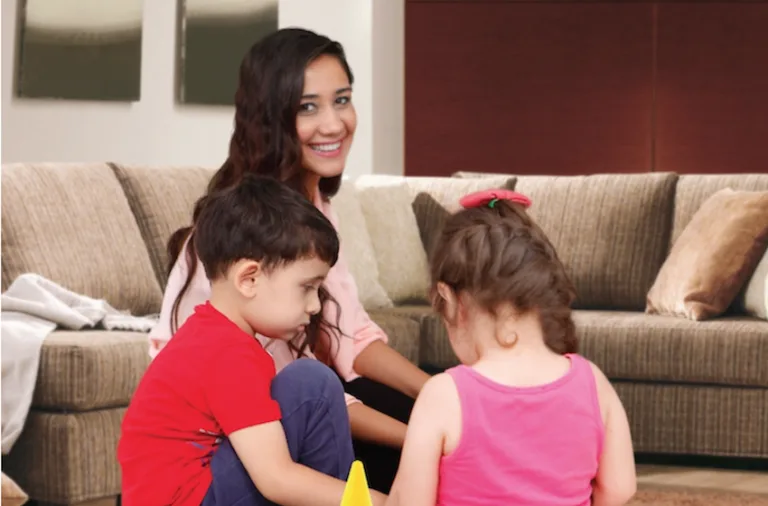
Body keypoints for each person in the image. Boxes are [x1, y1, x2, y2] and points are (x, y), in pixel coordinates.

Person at [149, 27, 430, 493]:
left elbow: (351, 336)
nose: (334, 124)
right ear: (270, 120)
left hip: (294, 407)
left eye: (342, 100)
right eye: (308, 107)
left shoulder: (315, 208)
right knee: (429, 452)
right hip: (243, 441)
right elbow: (289, 392)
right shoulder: (251, 236)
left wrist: (438, 395)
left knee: (439, 408)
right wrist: (424, 438)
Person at [118, 175, 388, 506]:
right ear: (249, 279)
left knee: (303, 384)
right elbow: (277, 479)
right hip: (193, 499)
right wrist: (382, 502)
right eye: (307, 287)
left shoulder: (209, 335)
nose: (315, 305)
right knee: (312, 385)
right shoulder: (228, 353)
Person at [386, 190, 637, 506]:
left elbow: (410, 502)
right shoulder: (593, 382)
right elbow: (619, 489)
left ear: (449, 299)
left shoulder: (443, 394)